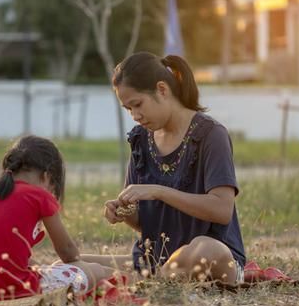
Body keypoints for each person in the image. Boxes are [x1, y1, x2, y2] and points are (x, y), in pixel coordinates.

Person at [82, 52, 246, 285]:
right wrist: (124, 212)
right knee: (72, 261)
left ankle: (142, 282)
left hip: (213, 257)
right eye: (128, 109)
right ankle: (152, 280)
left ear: (162, 89)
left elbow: (222, 209)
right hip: (155, 260)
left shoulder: (211, 134)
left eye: (137, 105)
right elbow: (146, 224)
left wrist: (158, 191)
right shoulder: (140, 139)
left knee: (206, 249)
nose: (135, 116)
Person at [0, 135, 118, 303]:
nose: (51, 192)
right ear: (46, 177)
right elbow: (68, 252)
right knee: (96, 271)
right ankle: (129, 279)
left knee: (51, 269)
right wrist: (82, 267)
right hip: (12, 288)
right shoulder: (39, 196)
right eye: (53, 188)